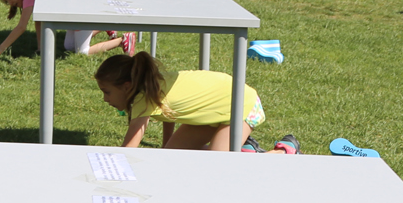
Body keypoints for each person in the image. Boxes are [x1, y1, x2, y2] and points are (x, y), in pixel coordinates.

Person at [95, 50, 289, 153]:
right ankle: (246, 150)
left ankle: (284, 151)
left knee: (217, 165)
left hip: (242, 105)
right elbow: (167, 111)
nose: (105, 99)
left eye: (107, 92)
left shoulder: (142, 98)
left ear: (126, 86)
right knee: (175, 156)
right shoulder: (152, 86)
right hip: (215, 110)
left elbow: (128, 150)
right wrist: (166, 147)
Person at [0, 0, 133, 59]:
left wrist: (2, 47)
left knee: (82, 52)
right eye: (6, 1)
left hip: (78, 16)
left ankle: (122, 40)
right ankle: (104, 26)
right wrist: (41, 48)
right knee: (68, 47)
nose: (10, 2)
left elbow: (21, 27)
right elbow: (39, 22)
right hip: (72, 18)